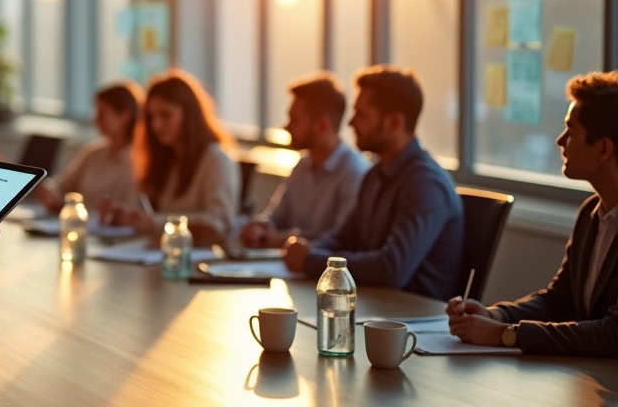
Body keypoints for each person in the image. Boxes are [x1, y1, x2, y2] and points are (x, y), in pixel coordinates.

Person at [447, 72, 618, 356]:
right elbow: (559, 300)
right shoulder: (591, 213)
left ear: (603, 148)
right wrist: (495, 316)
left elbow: (613, 334)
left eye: (571, 132)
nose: (560, 141)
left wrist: (507, 335)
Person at [282, 65, 463, 299]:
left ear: (394, 123)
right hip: (375, 306)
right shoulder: (375, 174)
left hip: (411, 322)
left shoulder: (425, 184)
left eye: (362, 115)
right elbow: (344, 236)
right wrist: (309, 249)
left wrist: (312, 261)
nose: (350, 123)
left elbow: (391, 268)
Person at [102, 70, 240, 243]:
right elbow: (150, 210)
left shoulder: (216, 159)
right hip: (164, 253)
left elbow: (217, 222)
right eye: (151, 117)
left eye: (165, 115)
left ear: (188, 115)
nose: (156, 125)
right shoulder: (167, 158)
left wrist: (156, 223)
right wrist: (129, 216)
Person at [239, 73, 370, 248]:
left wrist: (276, 239)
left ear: (322, 126)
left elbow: (341, 239)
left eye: (295, 120)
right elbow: (277, 216)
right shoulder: (302, 164)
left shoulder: (354, 172)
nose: (285, 126)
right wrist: (260, 226)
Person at [34, 82, 143, 214]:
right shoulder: (93, 152)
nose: (95, 119)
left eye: (102, 112)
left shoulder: (139, 160)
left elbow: (133, 210)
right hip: (80, 227)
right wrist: (48, 189)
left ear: (124, 116)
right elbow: (61, 184)